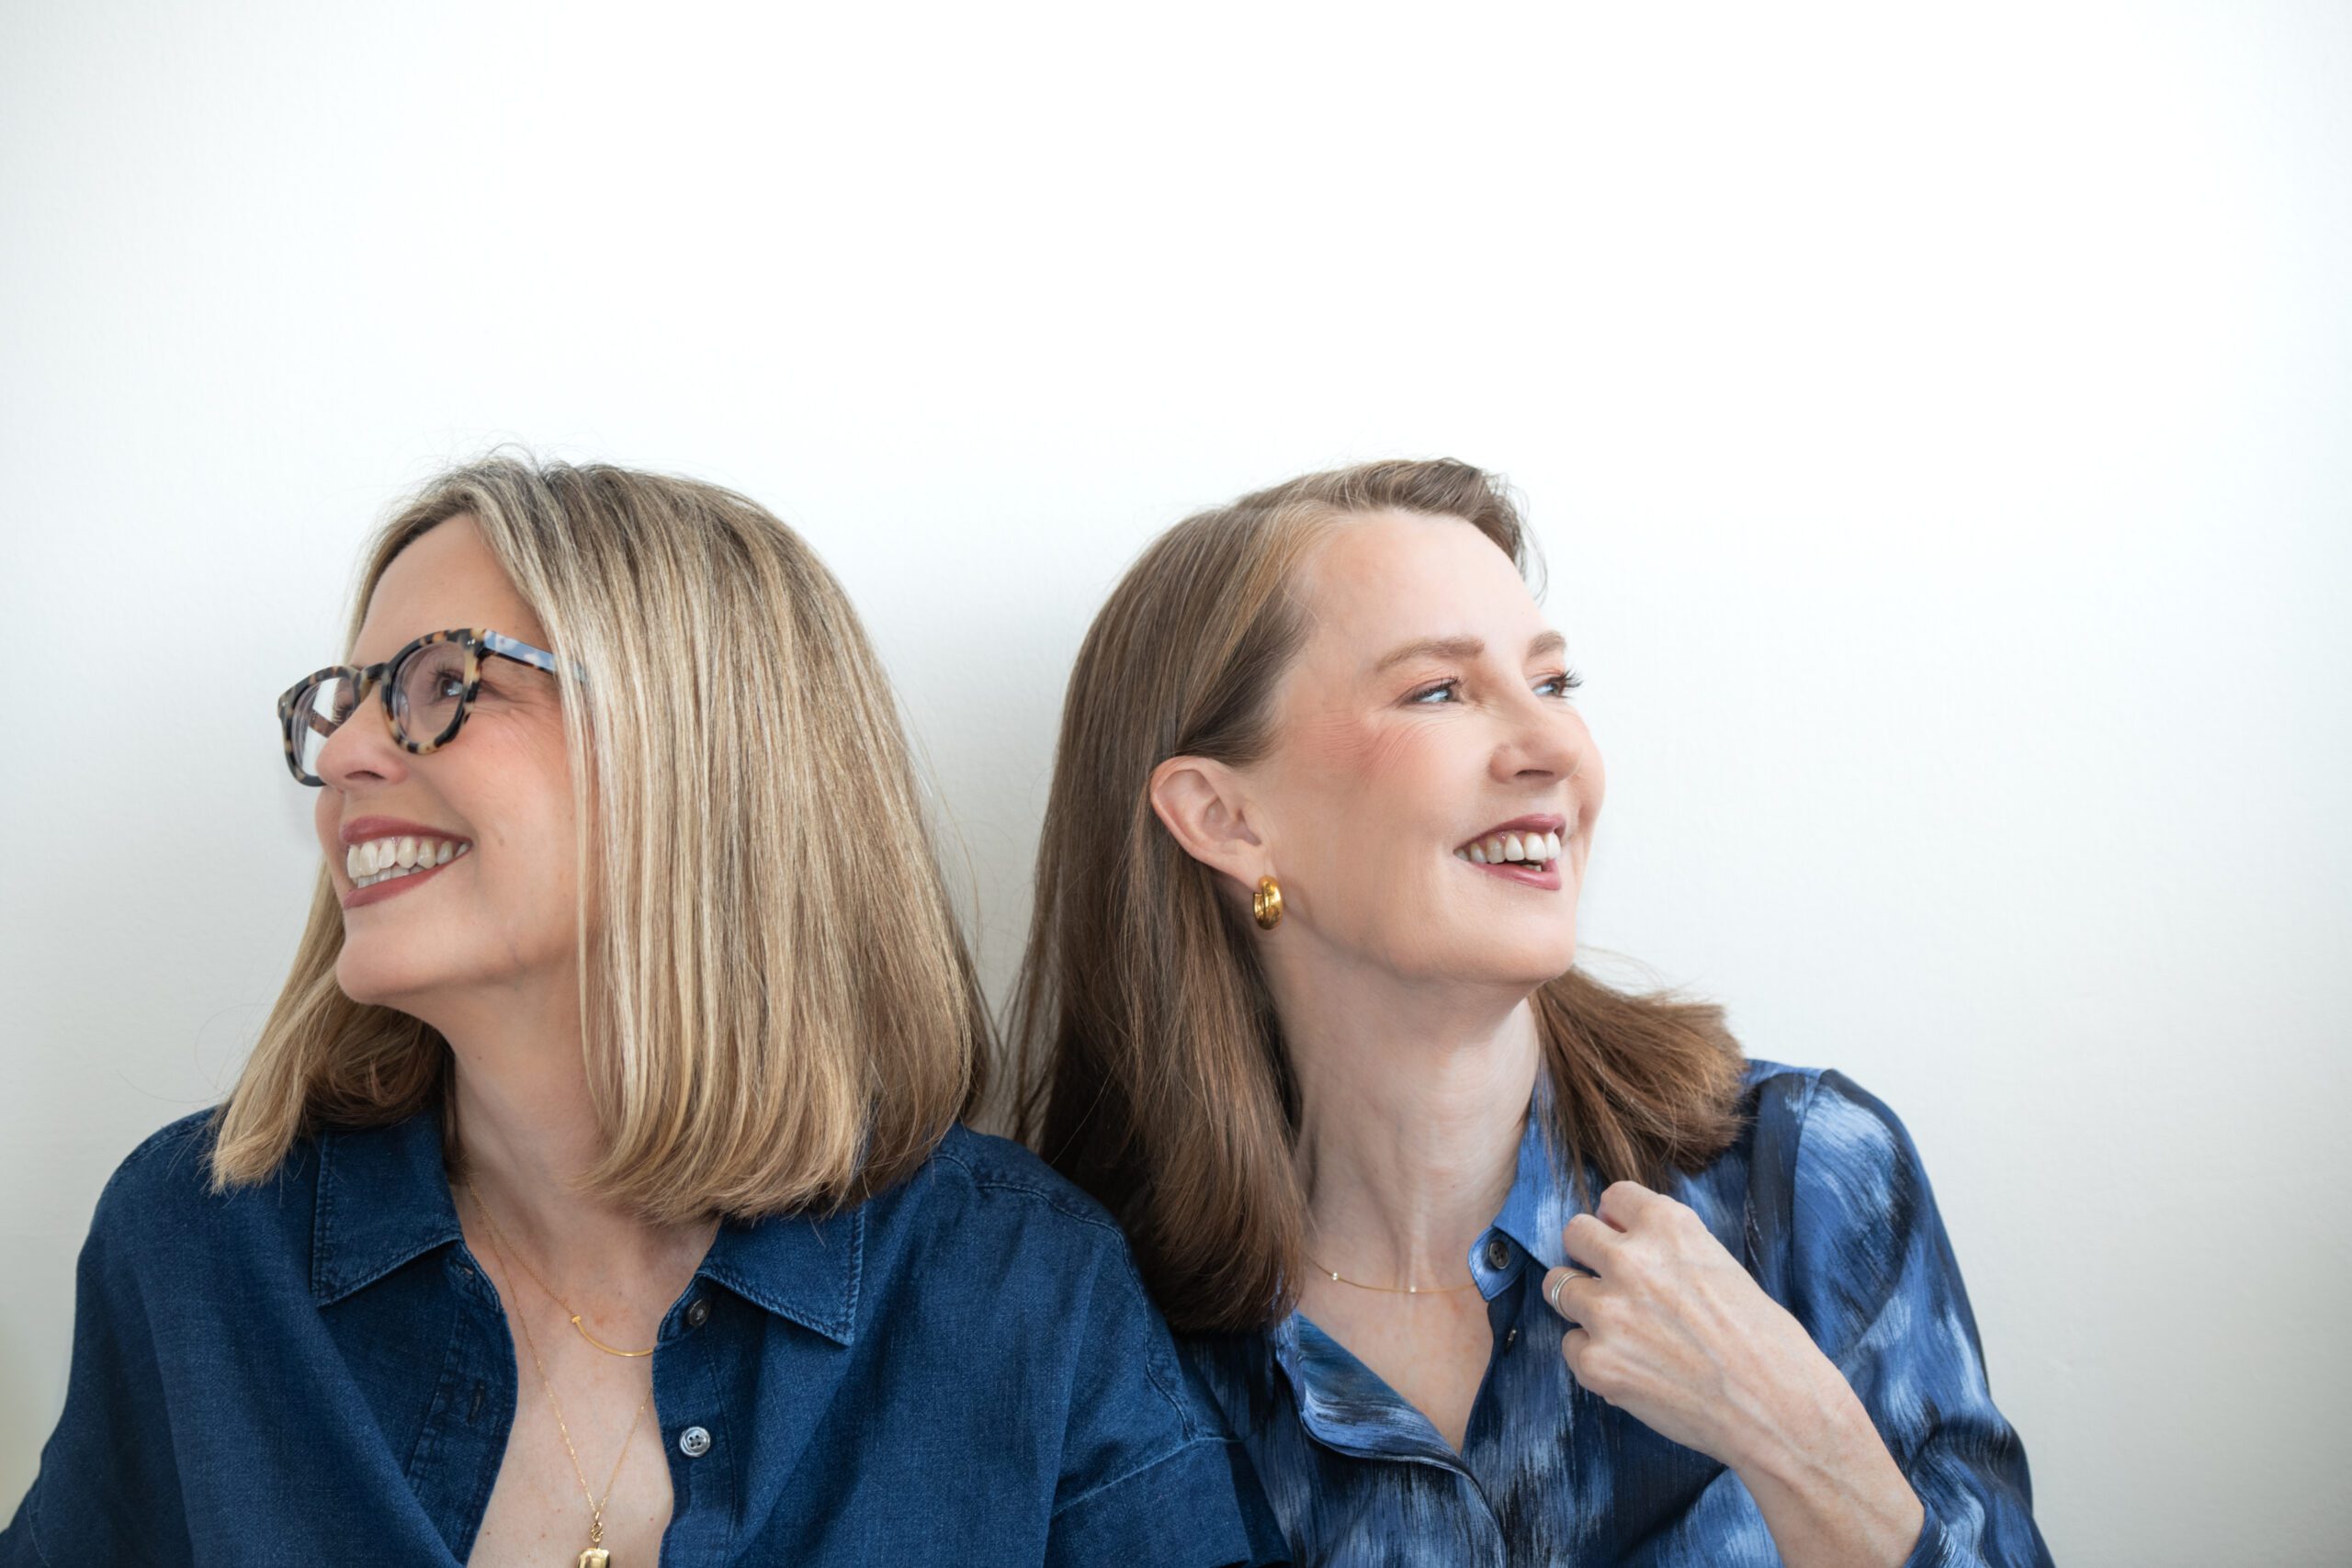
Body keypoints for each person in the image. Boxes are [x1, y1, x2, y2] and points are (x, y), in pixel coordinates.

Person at [2, 457, 1286, 1567]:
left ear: (696, 750)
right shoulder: (200, 1252)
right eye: (344, 702)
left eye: (443, 683)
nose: (341, 757)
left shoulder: (1016, 1290)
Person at [1012, 458, 2053, 1566]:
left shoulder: (1802, 1183)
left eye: (1554, 683)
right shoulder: (1085, 1322)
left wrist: (1794, 1436)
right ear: (1225, 818)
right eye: (1438, 692)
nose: (1556, 748)